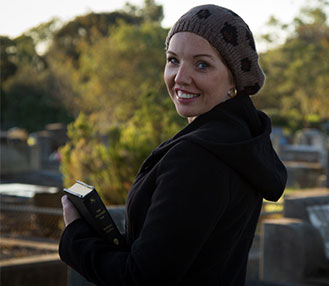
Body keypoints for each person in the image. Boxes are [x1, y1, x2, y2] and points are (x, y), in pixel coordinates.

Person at [60, 4, 287, 286]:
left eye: (201, 64)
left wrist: (76, 235)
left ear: (234, 80)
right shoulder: (238, 143)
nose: (180, 78)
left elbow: (140, 279)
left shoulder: (198, 158)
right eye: (173, 60)